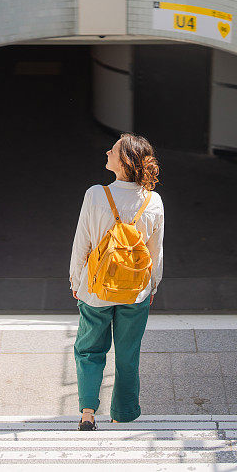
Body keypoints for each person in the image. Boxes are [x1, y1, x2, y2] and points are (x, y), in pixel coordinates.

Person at [68, 132, 164, 430]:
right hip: (135, 291)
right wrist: (153, 285)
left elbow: (82, 242)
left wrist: (76, 280)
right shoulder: (153, 200)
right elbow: (155, 250)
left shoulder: (96, 194)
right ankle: (124, 413)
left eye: (113, 149)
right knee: (128, 354)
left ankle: (87, 412)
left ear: (123, 161)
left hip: (96, 289)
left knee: (89, 349)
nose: (106, 151)